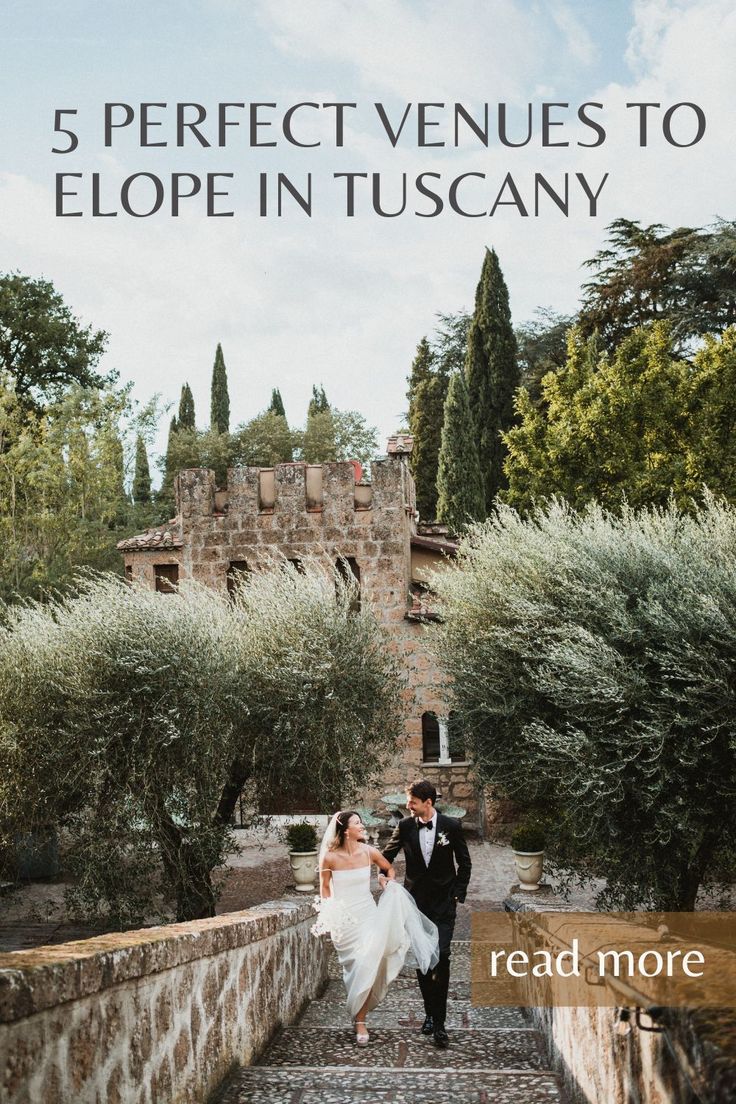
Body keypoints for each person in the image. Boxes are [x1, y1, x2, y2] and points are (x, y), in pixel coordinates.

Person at [312, 809, 439, 1046]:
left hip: (368, 915)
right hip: (345, 920)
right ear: (345, 830)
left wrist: (384, 880)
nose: (362, 826)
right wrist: (331, 915)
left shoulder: (368, 851)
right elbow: (325, 888)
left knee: (369, 962)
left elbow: (389, 869)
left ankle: (360, 1020)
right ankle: (358, 1013)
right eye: (357, 823)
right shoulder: (329, 857)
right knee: (356, 968)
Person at [381, 779, 472, 1048]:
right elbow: (387, 856)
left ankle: (441, 1024)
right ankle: (430, 1014)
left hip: (444, 904)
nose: (408, 806)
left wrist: (458, 892)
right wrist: (383, 876)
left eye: (412, 802)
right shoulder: (405, 826)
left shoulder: (451, 827)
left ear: (428, 803)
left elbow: (465, 862)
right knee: (424, 958)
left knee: (441, 957)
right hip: (416, 904)